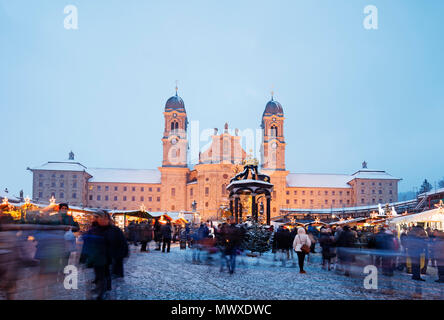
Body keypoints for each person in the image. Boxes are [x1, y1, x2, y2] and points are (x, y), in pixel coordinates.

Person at [79, 210, 113, 300]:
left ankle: (102, 292)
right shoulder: (93, 228)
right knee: (100, 273)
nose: (94, 219)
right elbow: (87, 244)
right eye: (95, 217)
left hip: (105, 255)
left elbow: (117, 243)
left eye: (97, 217)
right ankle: (102, 289)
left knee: (103, 273)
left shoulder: (111, 229)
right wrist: (83, 257)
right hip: (97, 256)